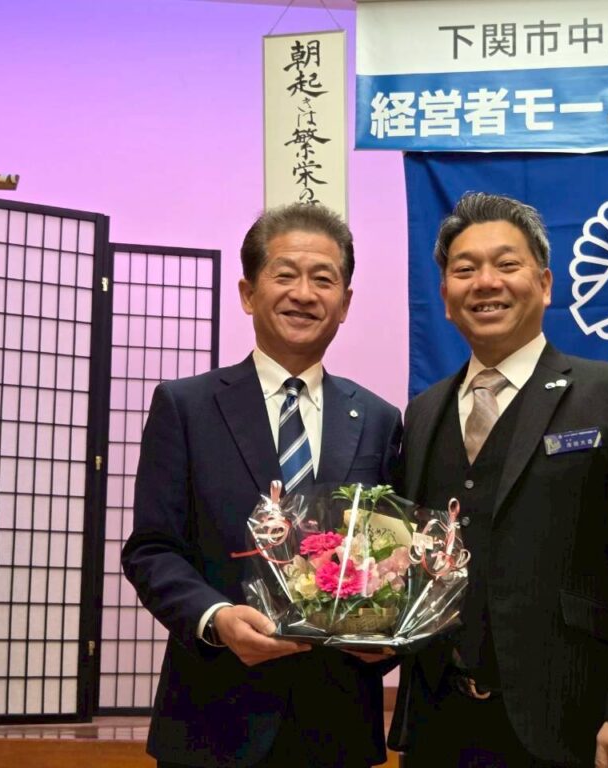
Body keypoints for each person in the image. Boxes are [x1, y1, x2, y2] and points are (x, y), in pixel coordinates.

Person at [388, 193, 608, 768]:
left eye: (506, 264)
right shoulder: (421, 413)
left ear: (544, 284)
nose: (485, 282)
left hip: (567, 721)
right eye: (465, 270)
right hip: (437, 721)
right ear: (445, 297)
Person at [122, 203, 402, 768]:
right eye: (285, 274)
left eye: (323, 279)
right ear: (249, 293)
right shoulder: (186, 406)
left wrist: (388, 637)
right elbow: (152, 549)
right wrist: (216, 619)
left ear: (345, 303)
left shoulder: (378, 418)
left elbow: (392, 558)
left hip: (337, 724)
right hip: (212, 720)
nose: (304, 293)